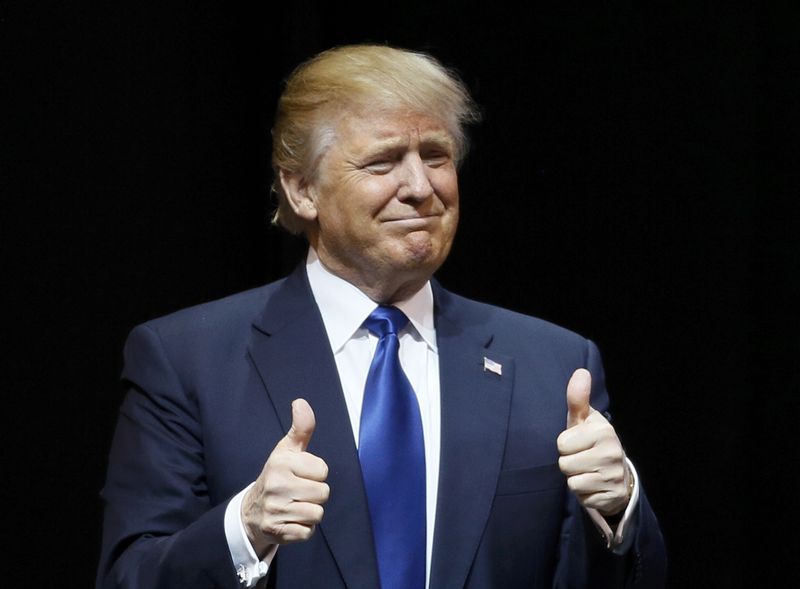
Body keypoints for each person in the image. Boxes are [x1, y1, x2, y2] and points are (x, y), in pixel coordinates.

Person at [97, 44, 666, 589]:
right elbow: (129, 577)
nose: (421, 187)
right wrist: (245, 528)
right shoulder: (186, 360)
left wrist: (618, 510)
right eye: (383, 161)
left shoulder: (556, 365)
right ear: (301, 190)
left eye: (436, 156)